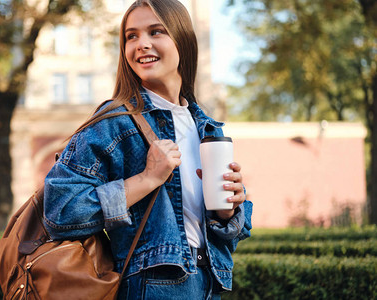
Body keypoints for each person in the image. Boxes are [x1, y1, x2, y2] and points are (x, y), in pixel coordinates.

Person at [43, 0, 253, 299]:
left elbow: (228, 234)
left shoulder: (207, 128)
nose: (141, 44)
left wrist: (228, 211)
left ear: (182, 40)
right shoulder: (114, 121)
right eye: (131, 36)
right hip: (152, 287)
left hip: (209, 284)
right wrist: (147, 179)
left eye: (156, 32)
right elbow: (60, 212)